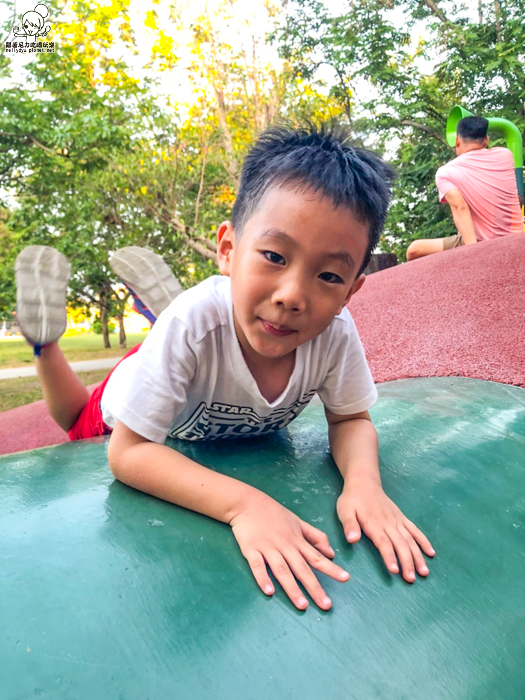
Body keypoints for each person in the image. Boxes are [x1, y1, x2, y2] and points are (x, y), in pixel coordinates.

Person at [15, 124, 435, 612]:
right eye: (274, 256)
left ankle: (171, 319)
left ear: (351, 291)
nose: (293, 296)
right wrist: (245, 505)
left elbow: (350, 420)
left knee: (192, 334)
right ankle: (45, 343)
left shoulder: (335, 335)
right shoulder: (196, 326)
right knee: (74, 418)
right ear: (229, 249)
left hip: (193, 356)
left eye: (328, 276)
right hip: (145, 382)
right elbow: (128, 453)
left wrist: (364, 485)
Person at [406, 115, 523, 261]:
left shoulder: (446, 172)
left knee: (414, 250)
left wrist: (474, 252)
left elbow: (460, 207)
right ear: (486, 140)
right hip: (516, 237)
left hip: (480, 243)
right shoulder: (505, 155)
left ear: (456, 141)